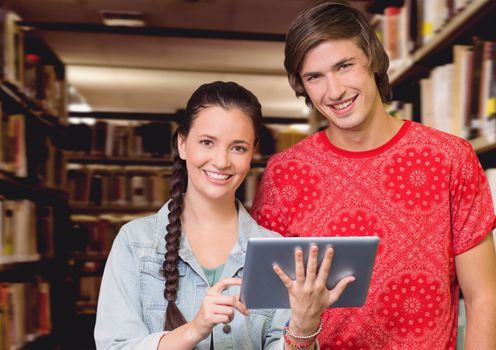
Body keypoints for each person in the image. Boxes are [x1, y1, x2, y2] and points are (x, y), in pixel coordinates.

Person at [251, 1, 496, 349]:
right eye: (314, 77)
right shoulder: (283, 174)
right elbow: (269, 309)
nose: (334, 91)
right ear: (301, 85)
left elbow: (483, 297)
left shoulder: (450, 158)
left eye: (344, 66)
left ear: (373, 59)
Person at [94, 81, 355, 349]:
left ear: (253, 153)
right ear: (183, 145)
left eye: (238, 147)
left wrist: (304, 324)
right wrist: (194, 330)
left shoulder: (273, 248)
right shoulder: (135, 242)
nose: (221, 161)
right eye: (207, 142)